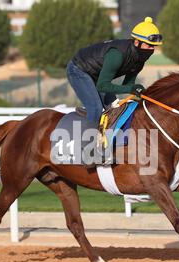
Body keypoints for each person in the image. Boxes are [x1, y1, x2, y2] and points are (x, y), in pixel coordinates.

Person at [66, 16, 163, 165]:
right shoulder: (117, 55)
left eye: (153, 46)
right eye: (149, 45)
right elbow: (103, 86)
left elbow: (129, 85)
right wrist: (130, 88)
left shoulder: (139, 61)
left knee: (115, 107)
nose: (152, 50)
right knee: (96, 108)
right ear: (137, 42)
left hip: (97, 74)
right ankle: (86, 152)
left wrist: (138, 94)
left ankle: (108, 146)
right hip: (79, 70)